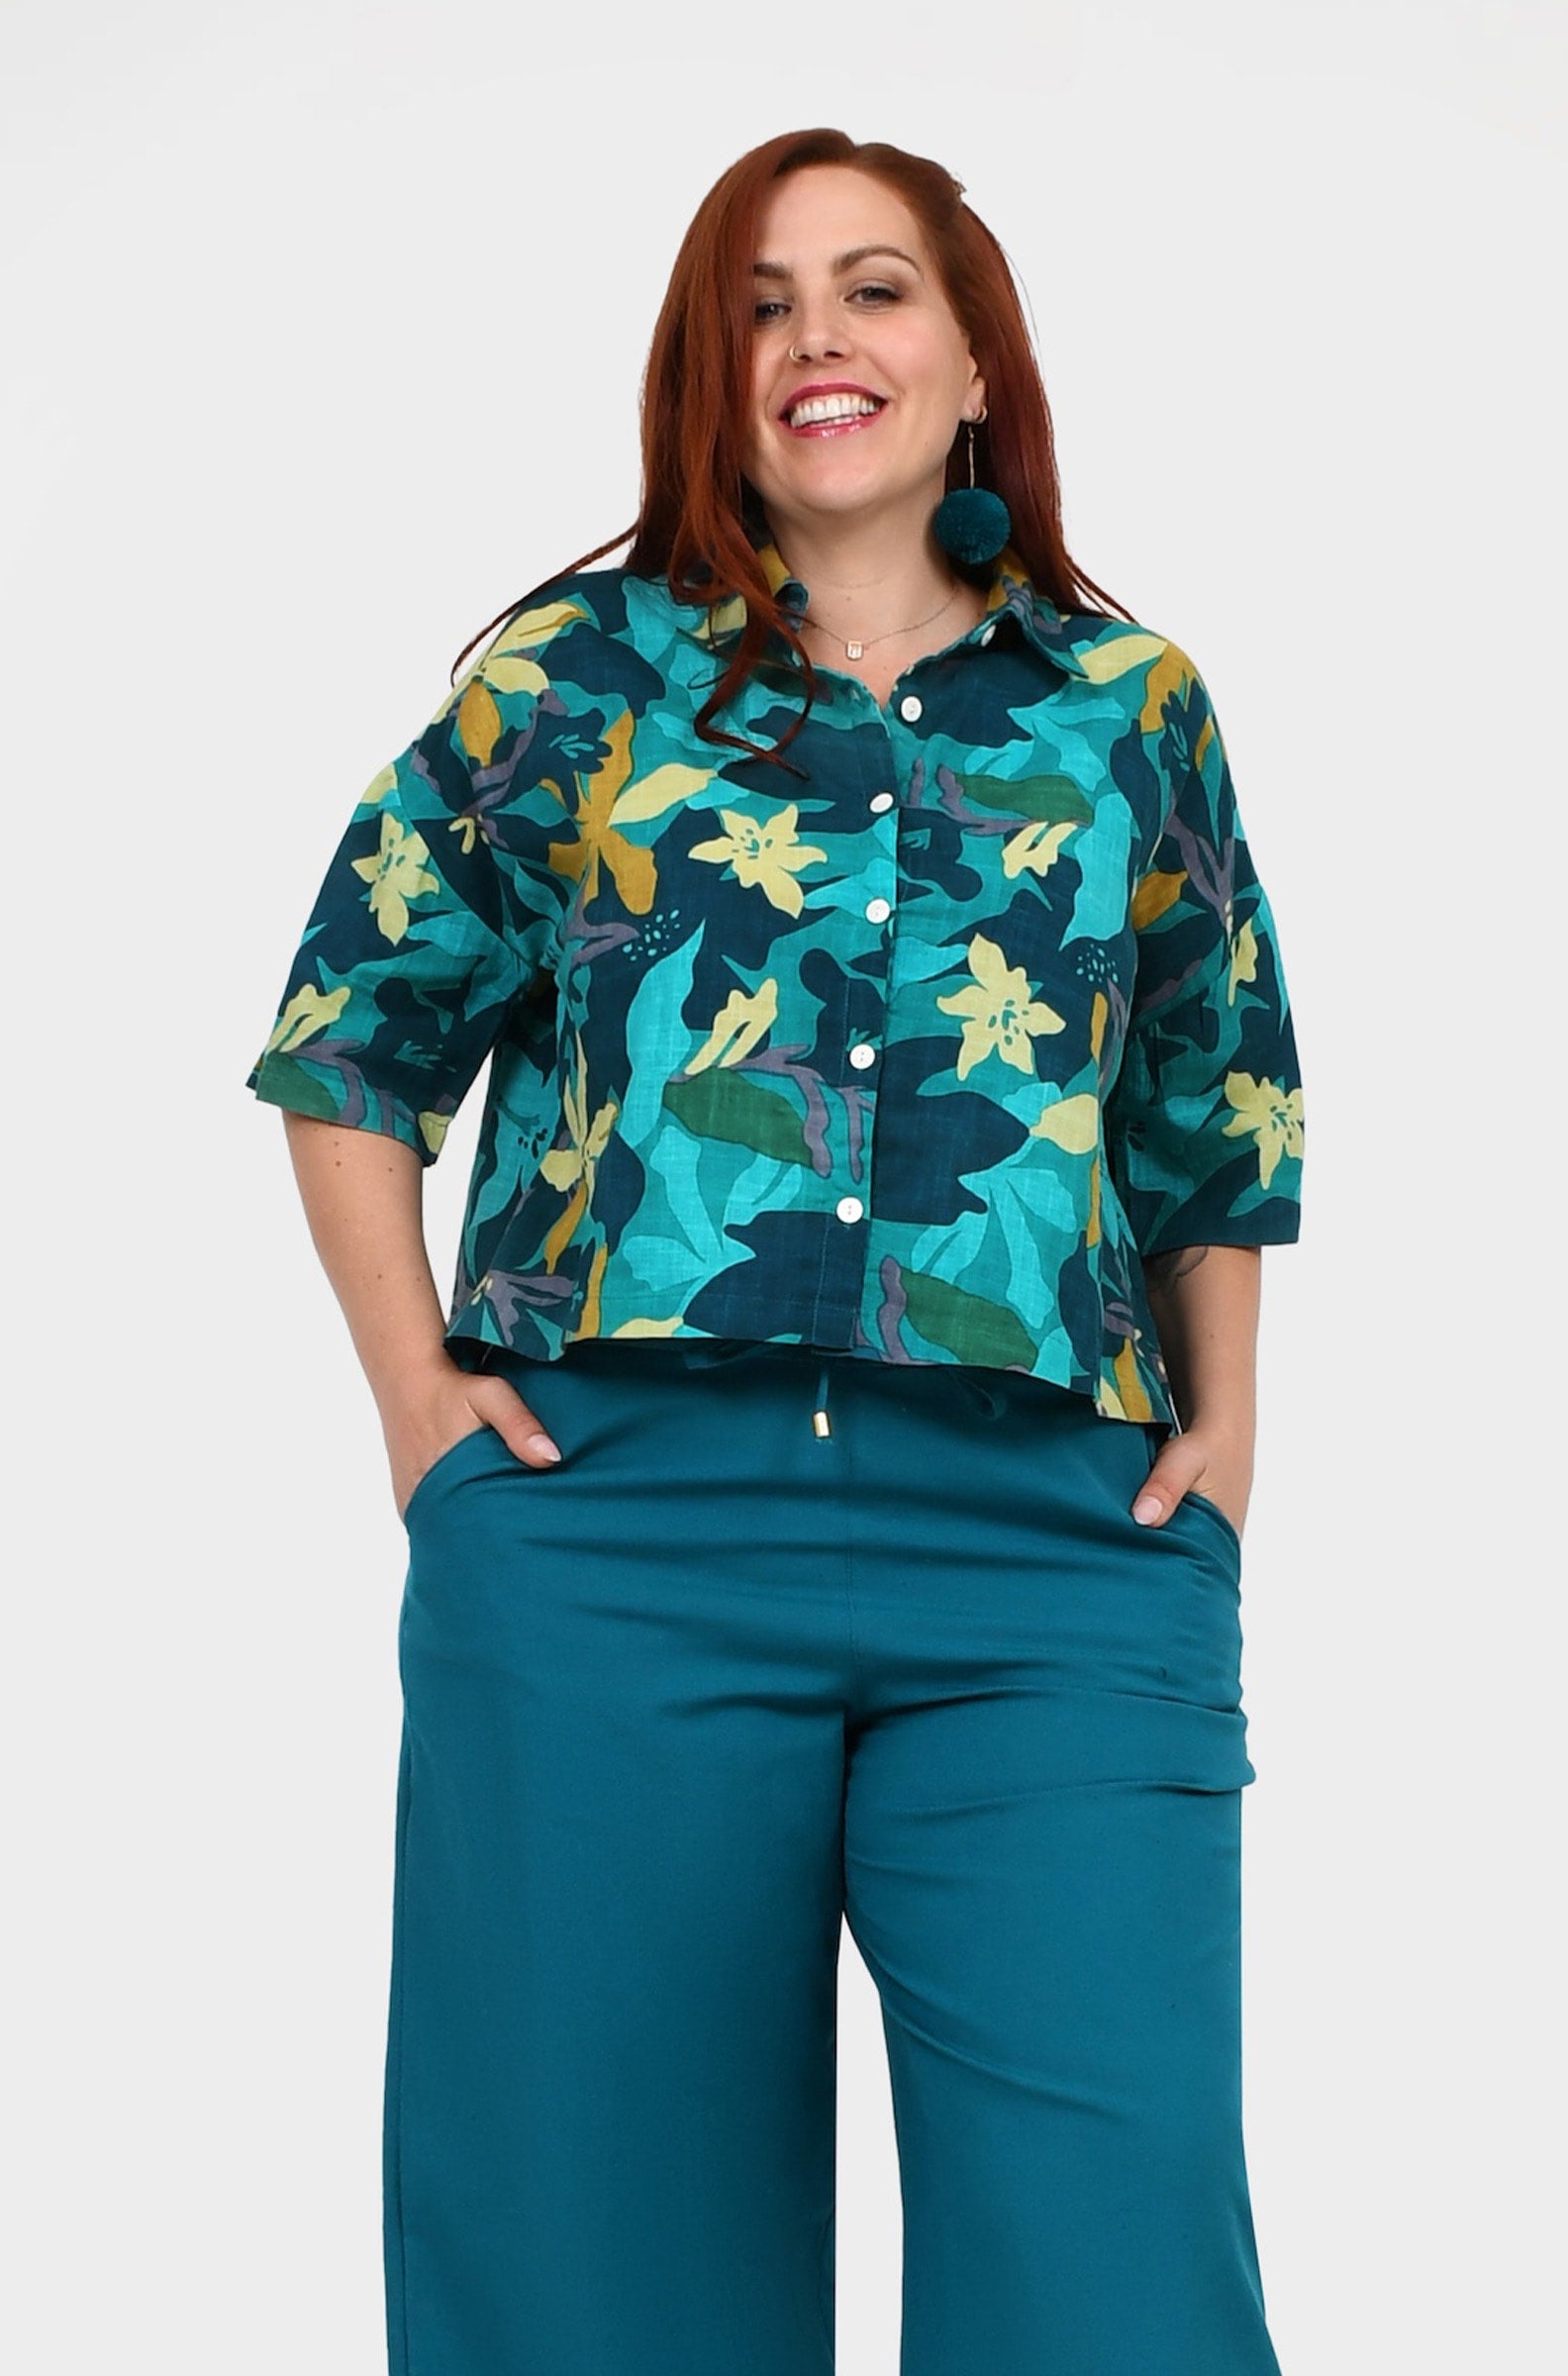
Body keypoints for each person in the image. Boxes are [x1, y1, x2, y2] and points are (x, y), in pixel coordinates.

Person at [247, 126, 1304, 2376]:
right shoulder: (574, 682)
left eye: (872, 286)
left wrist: (1231, 1444)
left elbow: (1211, 1112)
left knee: (1114, 2283)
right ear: (706, 380)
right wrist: (416, 1405)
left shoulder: (1129, 706)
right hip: (613, 1536)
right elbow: (352, 1032)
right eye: (759, 304)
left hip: (1053, 1557)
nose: (816, 335)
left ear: (973, 361)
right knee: (588, 2283)